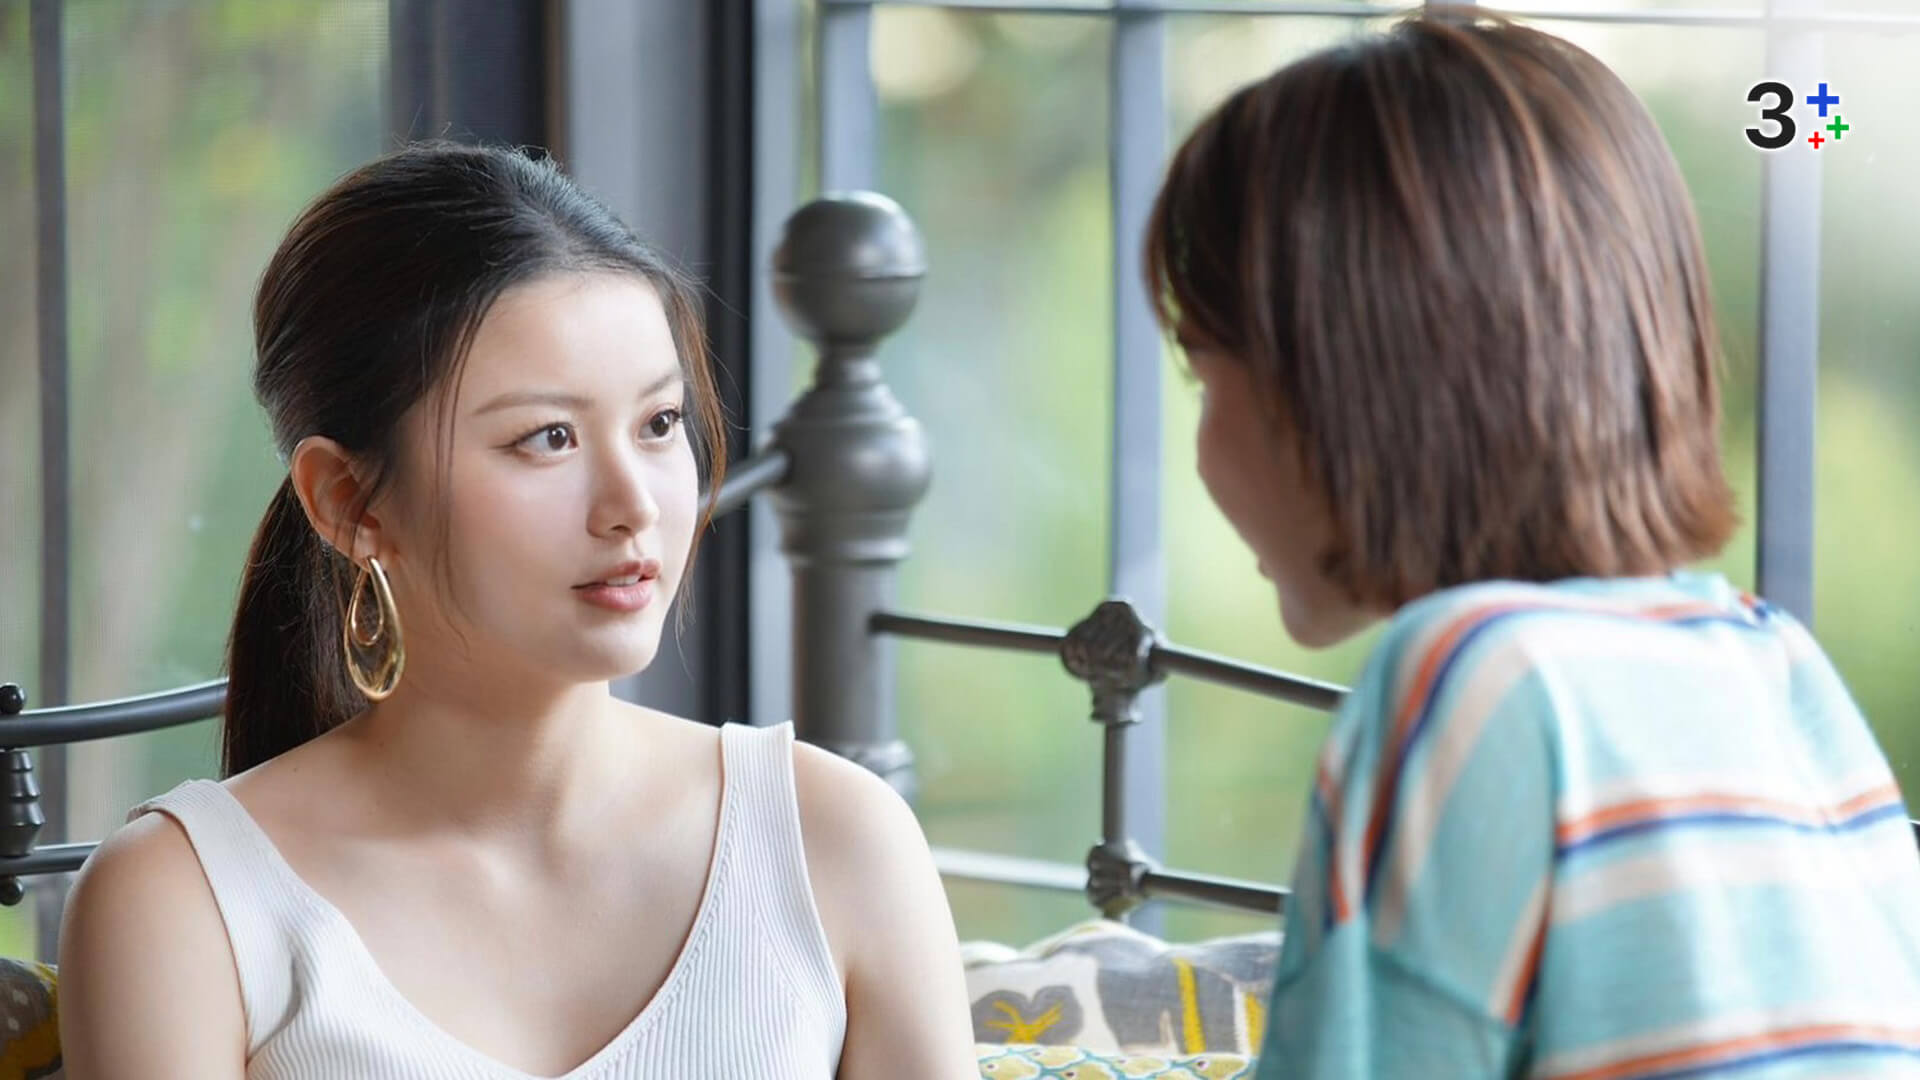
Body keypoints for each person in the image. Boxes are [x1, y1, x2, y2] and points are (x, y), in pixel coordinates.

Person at [58, 142, 978, 1079]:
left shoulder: (832, 843)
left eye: (660, 423)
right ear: (347, 500)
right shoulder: (186, 902)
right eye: (548, 438)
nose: (633, 505)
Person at [1145, 11, 1920, 1078]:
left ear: (1338, 378)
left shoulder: (1472, 674)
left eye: (1202, 373)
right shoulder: (1775, 665)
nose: (1197, 448)